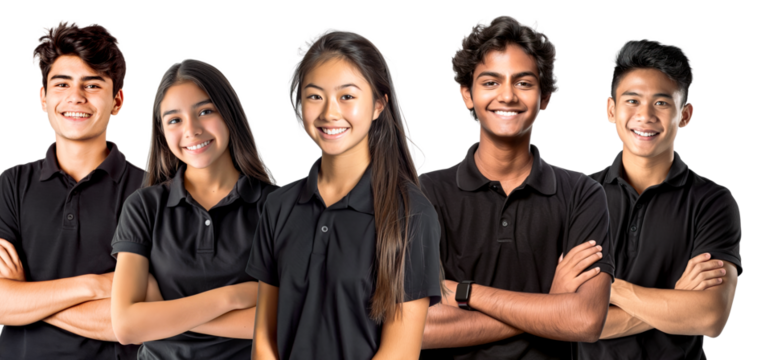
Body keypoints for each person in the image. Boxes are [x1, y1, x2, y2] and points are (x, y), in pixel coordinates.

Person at [419, 14, 614, 359]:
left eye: (523, 83)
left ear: (545, 97)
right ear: (467, 94)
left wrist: (466, 293)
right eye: (490, 83)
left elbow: (585, 320)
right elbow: (418, 328)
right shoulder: (425, 194)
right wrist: (552, 306)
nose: (507, 96)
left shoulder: (582, 195)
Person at [246, 28, 443, 360]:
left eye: (347, 96)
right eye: (314, 96)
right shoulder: (278, 206)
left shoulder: (411, 214)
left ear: (379, 104)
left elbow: (400, 353)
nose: (329, 113)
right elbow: (264, 338)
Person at [0, 19, 145, 359]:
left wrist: (23, 297)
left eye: (92, 85)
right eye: (62, 84)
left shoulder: (151, 190)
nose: (75, 97)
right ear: (43, 97)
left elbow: (136, 321)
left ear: (117, 101)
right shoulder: (12, 183)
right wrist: (96, 286)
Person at [577, 38, 741, 360]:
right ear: (611, 110)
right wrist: (676, 299)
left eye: (662, 103)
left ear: (685, 114)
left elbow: (710, 317)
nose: (646, 115)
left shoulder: (713, 202)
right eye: (633, 101)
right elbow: (564, 318)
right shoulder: (576, 198)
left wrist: (608, 288)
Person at [109, 57, 278, 359]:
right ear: (161, 131)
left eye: (205, 111)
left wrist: (163, 315)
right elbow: (127, 326)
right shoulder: (144, 207)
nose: (192, 129)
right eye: (175, 119)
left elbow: (287, 321)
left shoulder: (278, 208)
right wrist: (234, 296)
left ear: (229, 114)